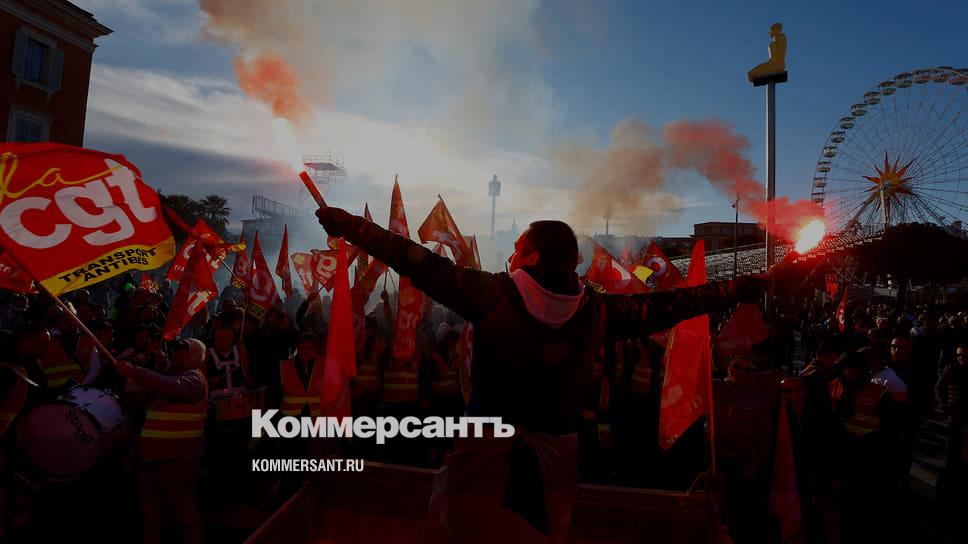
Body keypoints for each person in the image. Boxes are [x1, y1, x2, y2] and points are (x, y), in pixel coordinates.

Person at [316, 206, 765, 543]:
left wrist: (353, 227)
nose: (511, 256)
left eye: (517, 249)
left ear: (532, 257)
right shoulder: (596, 314)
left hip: (482, 456)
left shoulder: (492, 295)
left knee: (461, 529)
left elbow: (415, 260)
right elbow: (675, 304)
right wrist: (737, 288)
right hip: (556, 462)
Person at [115, 338, 208, 544]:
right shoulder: (164, 379)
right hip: (150, 459)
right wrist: (133, 383)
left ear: (197, 357)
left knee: (184, 514)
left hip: (178, 460)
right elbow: (134, 402)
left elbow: (170, 387)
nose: (177, 355)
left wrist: (135, 372)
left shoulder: (195, 380)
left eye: (184, 351)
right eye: (175, 350)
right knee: (152, 516)